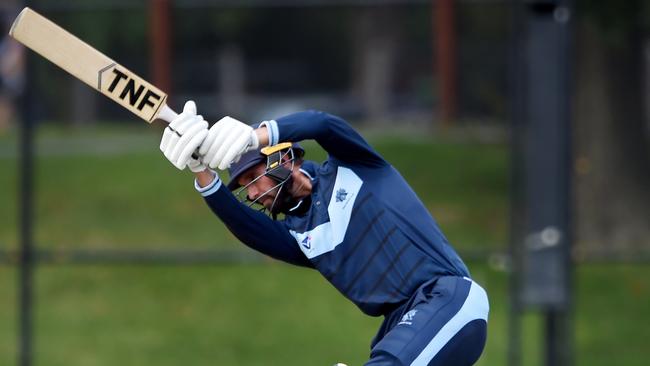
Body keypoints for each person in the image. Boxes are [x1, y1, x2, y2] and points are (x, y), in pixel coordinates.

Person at [160, 101, 489, 366]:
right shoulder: (299, 237)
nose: (251, 193)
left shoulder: (356, 165)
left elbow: (322, 125)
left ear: (281, 157)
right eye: (244, 187)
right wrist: (201, 170)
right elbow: (244, 225)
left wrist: (253, 137)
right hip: (401, 328)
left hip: (447, 298)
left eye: (253, 177)